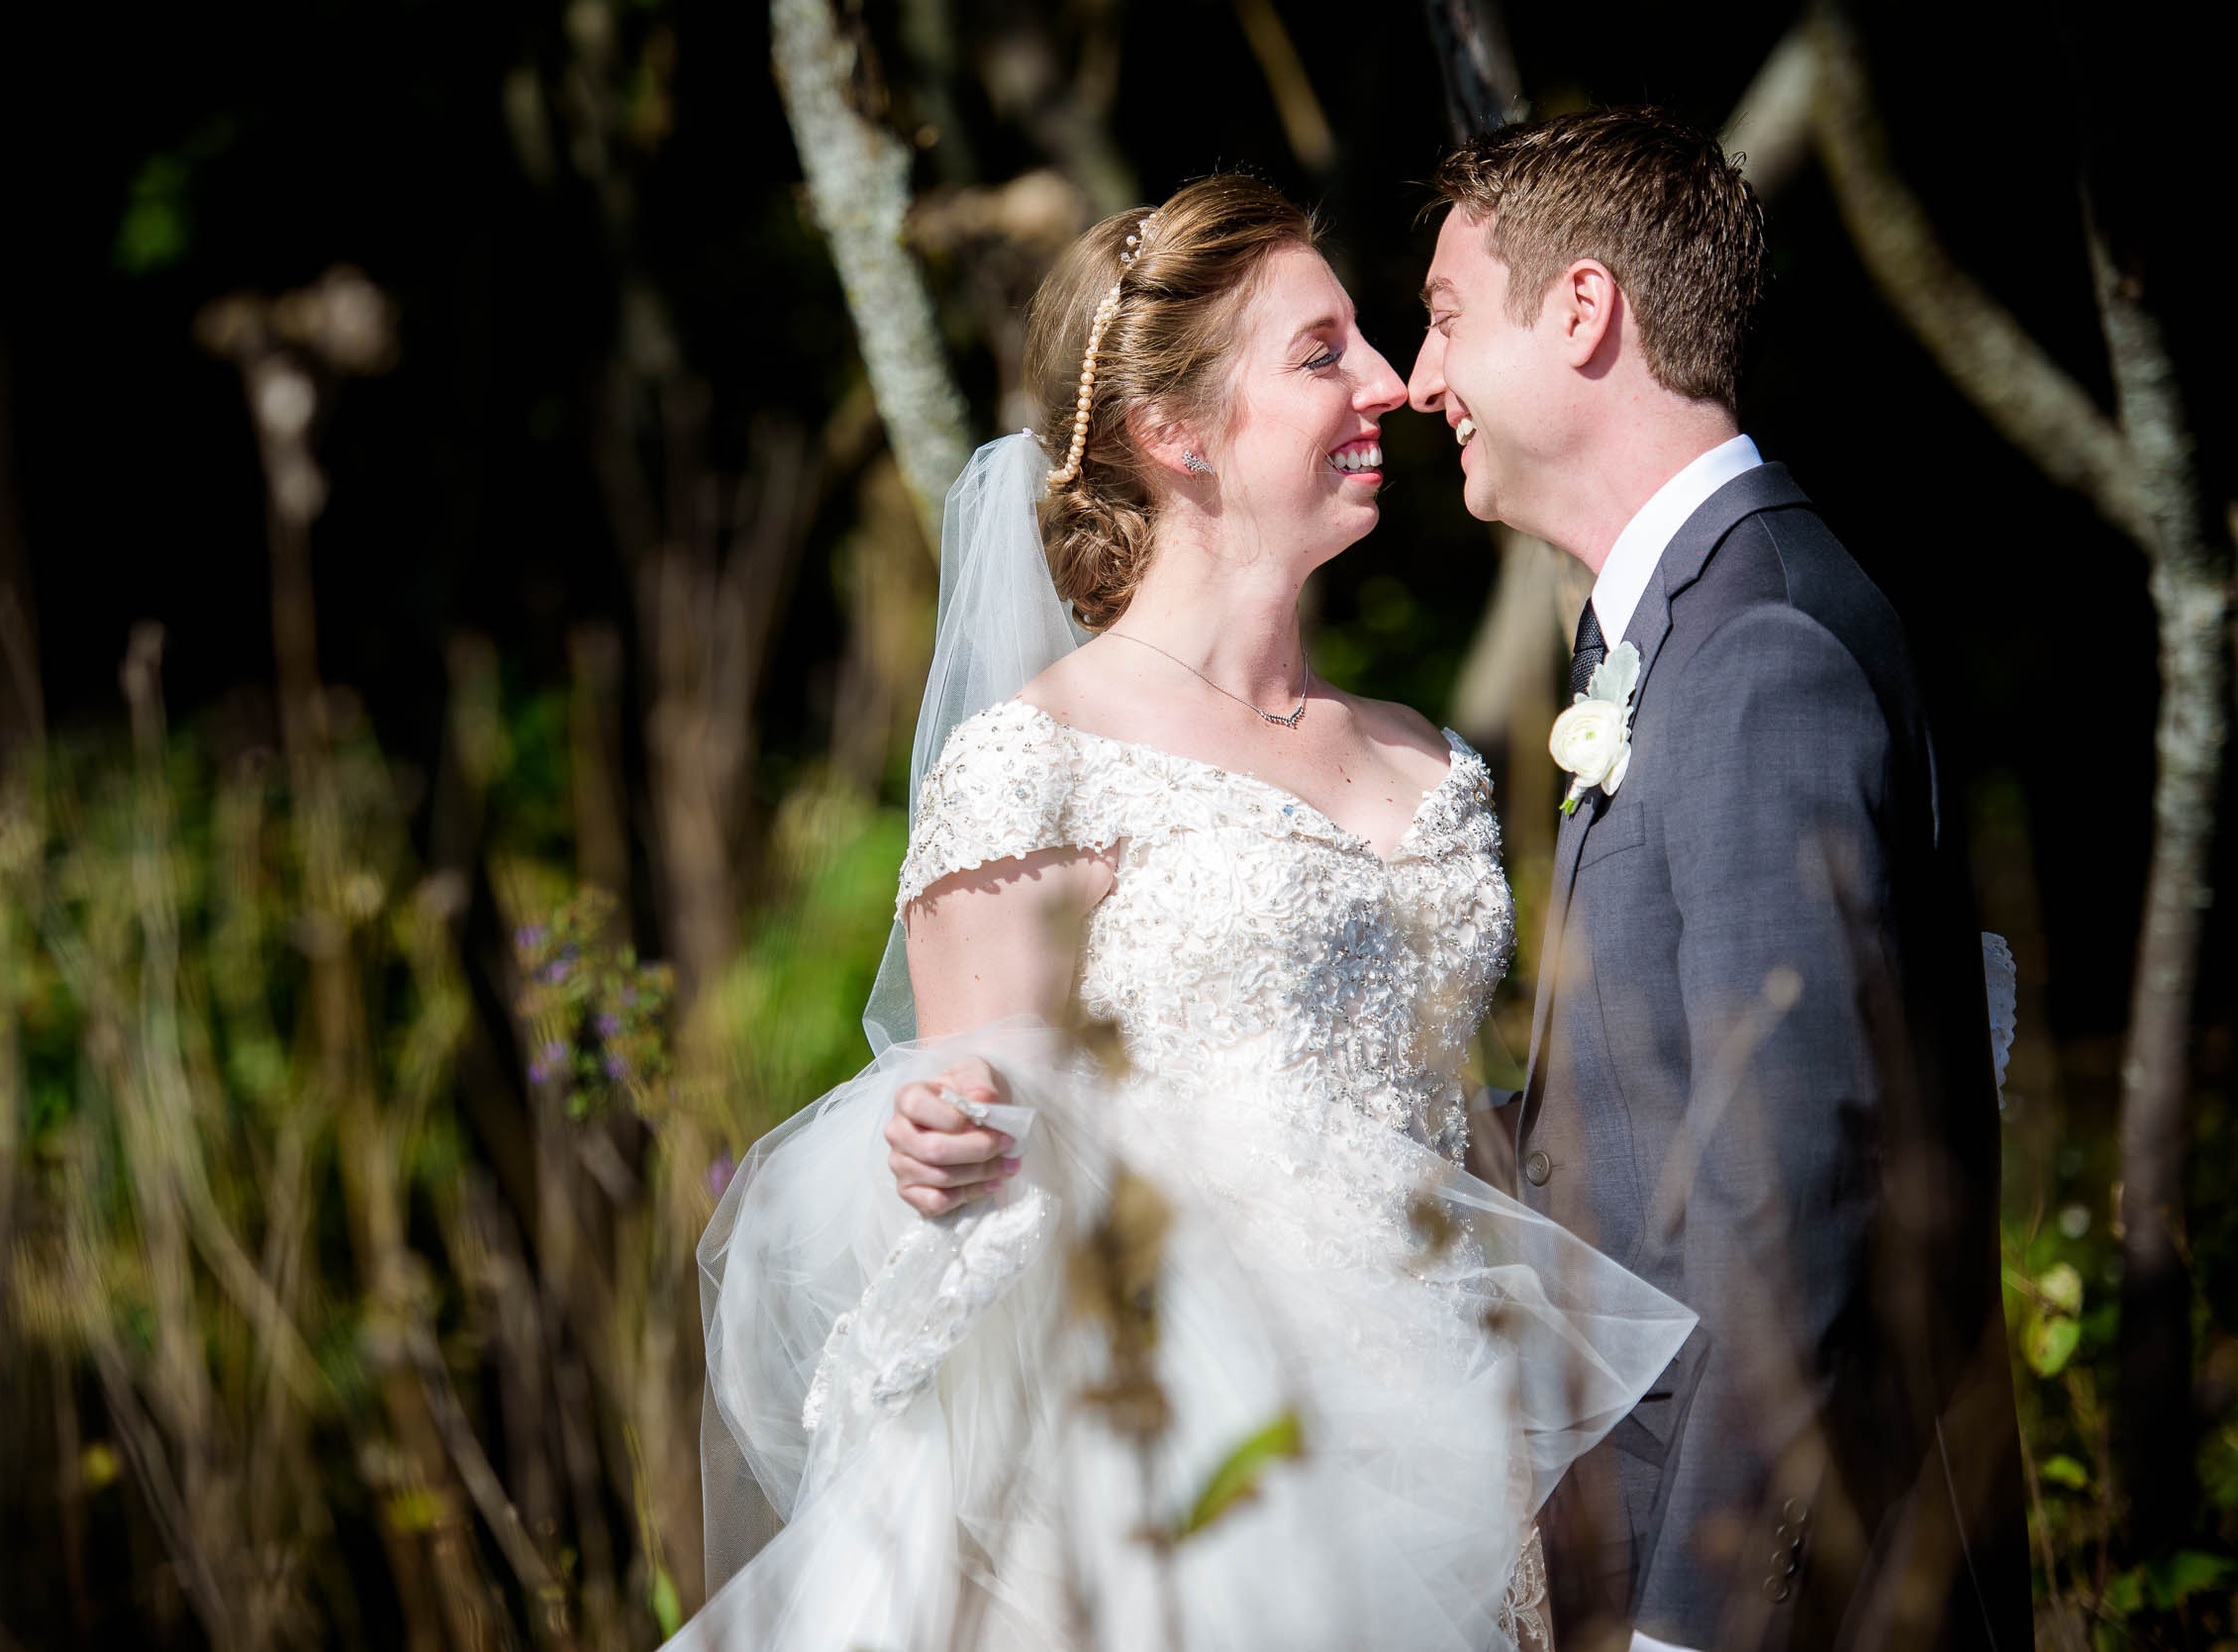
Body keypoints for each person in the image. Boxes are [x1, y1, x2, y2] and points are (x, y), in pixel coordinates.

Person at [678, 174, 1694, 1652]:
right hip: (1165, 1487)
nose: (1395, 384)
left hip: (1458, 1449)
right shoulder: (1038, 761)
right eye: (1322, 351)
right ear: (1176, 432)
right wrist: (935, 1140)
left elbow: (1461, 1126)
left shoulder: (1436, 761)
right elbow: (964, 1154)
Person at [1405, 109, 2029, 1651]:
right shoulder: (1683, 630)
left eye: (1442, 316)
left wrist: (1691, 1625)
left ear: (1582, 311)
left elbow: (1791, 1193)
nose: (1420, 381)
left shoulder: (1756, 657)